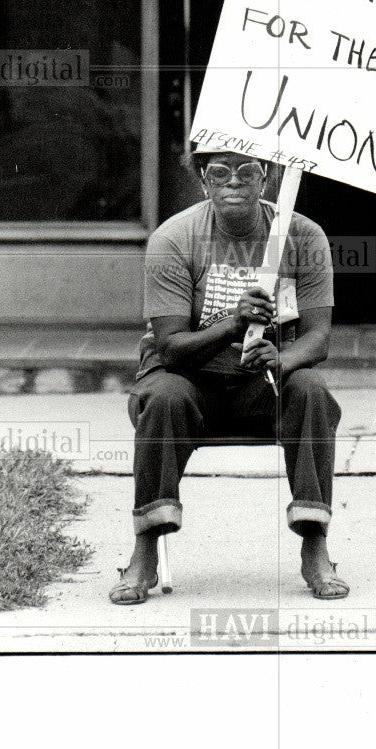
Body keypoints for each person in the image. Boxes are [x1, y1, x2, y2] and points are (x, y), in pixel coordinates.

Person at [109, 143, 349, 604]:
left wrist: (285, 360)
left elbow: (319, 338)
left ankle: (315, 546)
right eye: (219, 172)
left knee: (313, 392)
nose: (233, 181)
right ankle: (144, 550)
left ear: (268, 177)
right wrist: (233, 325)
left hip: (263, 386)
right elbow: (171, 349)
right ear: (203, 179)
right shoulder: (173, 239)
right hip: (191, 384)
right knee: (162, 396)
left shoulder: (302, 235)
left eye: (247, 170)